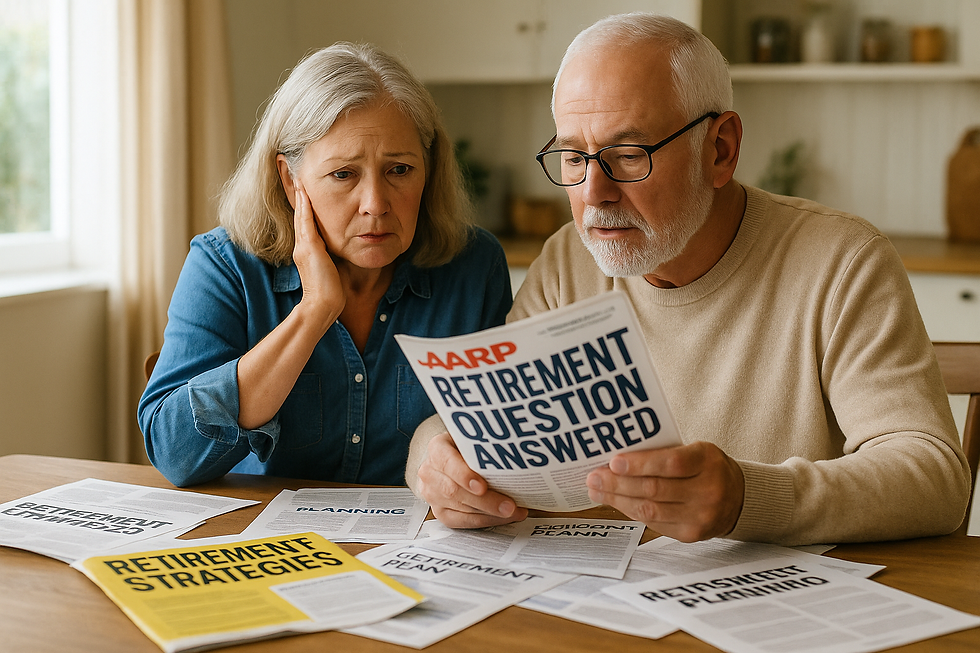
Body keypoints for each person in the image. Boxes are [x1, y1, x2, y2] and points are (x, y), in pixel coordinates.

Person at [405, 13, 972, 545]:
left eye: (627, 155)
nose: (593, 193)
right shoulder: (566, 262)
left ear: (720, 149)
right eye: (574, 157)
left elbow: (934, 477)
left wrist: (748, 498)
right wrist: (435, 458)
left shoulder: (841, 261)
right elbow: (479, 421)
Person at [139, 43, 512, 487]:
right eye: (343, 174)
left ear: (428, 169)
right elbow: (174, 454)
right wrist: (314, 310)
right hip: (262, 545)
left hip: (416, 546)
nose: (375, 204)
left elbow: (501, 440)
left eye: (399, 170)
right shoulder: (225, 265)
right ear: (290, 180)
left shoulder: (474, 266)